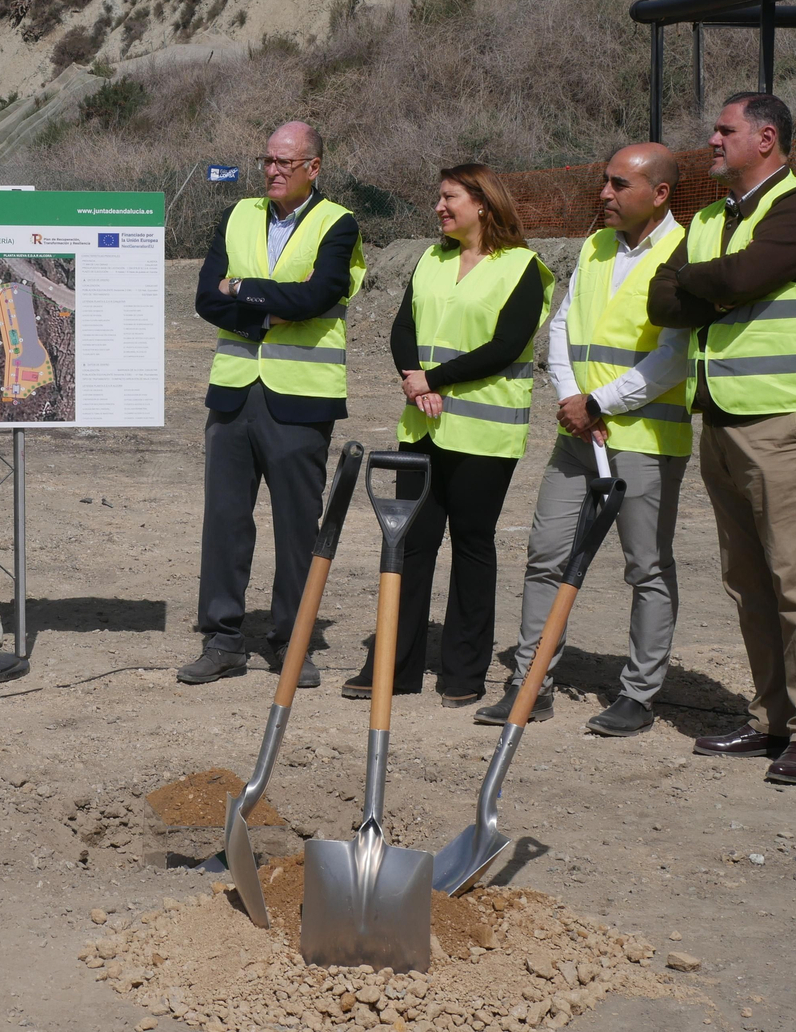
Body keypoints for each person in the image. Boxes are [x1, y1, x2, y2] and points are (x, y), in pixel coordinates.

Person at [649, 93, 796, 785]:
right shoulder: (711, 218)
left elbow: (739, 278)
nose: (711, 139)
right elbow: (661, 300)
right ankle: (771, 719)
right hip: (724, 415)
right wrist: (710, 285)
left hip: (791, 417)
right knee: (747, 580)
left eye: (724, 130)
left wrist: (702, 282)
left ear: (766, 138)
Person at [476, 144, 690, 736]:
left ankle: (638, 695)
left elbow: (674, 355)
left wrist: (600, 403)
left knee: (646, 567)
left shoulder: (684, 250)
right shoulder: (596, 245)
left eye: (620, 184)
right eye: (605, 181)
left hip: (644, 438)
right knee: (546, 555)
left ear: (660, 194)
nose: (604, 194)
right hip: (578, 435)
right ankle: (531, 683)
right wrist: (575, 402)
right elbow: (564, 328)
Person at [343, 163, 554, 707]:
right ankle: (394, 666)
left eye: (449, 197)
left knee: (472, 545)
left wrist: (434, 379)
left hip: (484, 434)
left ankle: (464, 672)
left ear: (482, 203)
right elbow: (403, 328)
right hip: (424, 424)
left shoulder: (522, 267)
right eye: (439, 197)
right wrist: (416, 383)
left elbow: (507, 345)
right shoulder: (430, 260)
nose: (439, 207)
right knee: (410, 545)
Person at [178, 121, 366, 685]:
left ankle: (293, 642)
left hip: (302, 399)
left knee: (296, 527)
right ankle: (222, 639)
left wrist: (242, 288)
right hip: (234, 392)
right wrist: (264, 312)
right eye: (268, 160)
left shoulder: (338, 224)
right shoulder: (237, 215)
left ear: (314, 167)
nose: (273, 170)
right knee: (225, 519)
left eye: (286, 162)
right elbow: (205, 298)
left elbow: (316, 296)